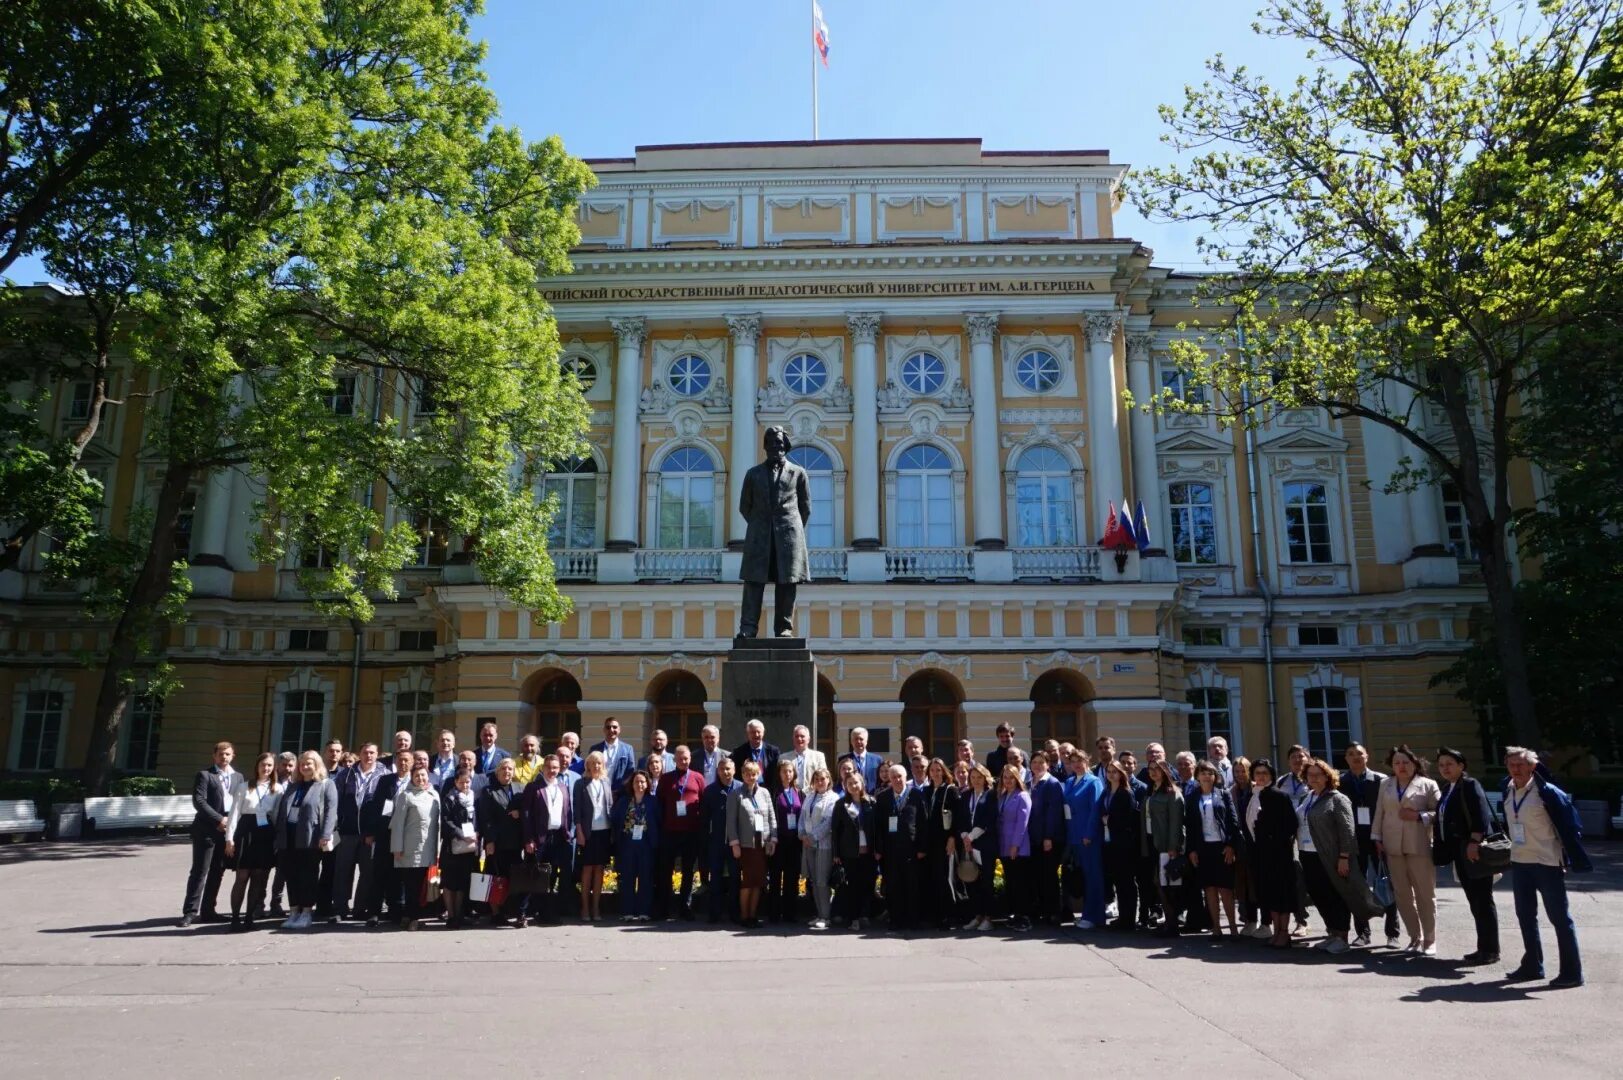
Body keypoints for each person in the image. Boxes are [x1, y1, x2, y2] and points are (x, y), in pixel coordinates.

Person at [1503, 746, 1591, 988]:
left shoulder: (1547, 792)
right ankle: (1532, 966)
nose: (1515, 769)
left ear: (1533, 766)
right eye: (1511, 765)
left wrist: (1567, 857)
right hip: (1520, 862)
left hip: (1547, 862)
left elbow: (1570, 827)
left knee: (1560, 918)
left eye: (1520, 764)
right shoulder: (1508, 789)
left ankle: (1572, 973)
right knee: (1525, 916)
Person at [1298, 757, 1384, 955]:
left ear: (1328, 777)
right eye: (1310, 775)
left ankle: (1342, 937)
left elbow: (1348, 830)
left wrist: (1344, 857)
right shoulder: (1308, 797)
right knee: (1319, 895)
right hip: (1308, 854)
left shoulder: (1338, 798)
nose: (1314, 779)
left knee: (1336, 895)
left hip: (1331, 856)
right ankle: (1332, 933)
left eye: (1318, 775)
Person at [1370, 744, 1441, 954]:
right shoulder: (1386, 784)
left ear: (1415, 763)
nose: (1401, 766)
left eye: (1405, 762)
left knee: (1425, 894)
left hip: (1419, 845)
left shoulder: (1428, 784)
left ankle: (1430, 939)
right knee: (1402, 894)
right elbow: (1379, 812)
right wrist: (1376, 837)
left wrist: (1420, 816)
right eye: (1396, 763)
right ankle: (1414, 936)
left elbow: (1441, 812)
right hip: (1392, 846)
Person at [1434, 747, 1499, 964]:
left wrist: (1474, 841)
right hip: (1459, 851)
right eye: (1441, 765)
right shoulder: (1448, 788)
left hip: (1473, 849)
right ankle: (1483, 947)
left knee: (1482, 899)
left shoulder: (1470, 785)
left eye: (1449, 764)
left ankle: (1490, 950)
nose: (1445, 768)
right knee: (1475, 900)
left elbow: (1481, 814)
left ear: (1461, 766)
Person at [1342, 742, 1399, 947]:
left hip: (1378, 840)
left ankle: (1393, 933)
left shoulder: (1380, 781)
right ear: (1346, 758)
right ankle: (1363, 933)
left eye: (1359, 753)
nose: (1355, 757)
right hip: (1354, 842)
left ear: (1367, 756)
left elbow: (1389, 811)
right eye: (1351, 754)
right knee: (1357, 887)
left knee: (1386, 884)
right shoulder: (1341, 782)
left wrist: (1382, 837)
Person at [273, 750, 337, 930]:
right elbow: (281, 812)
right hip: (289, 836)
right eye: (302, 764)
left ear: (316, 765)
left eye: (309, 763)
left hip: (310, 837)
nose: (305, 767)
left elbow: (331, 812)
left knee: (307, 875)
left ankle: (307, 911)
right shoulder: (294, 785)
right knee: (290, 875)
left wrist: (325, 835)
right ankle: (294, 911)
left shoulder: (326, 785)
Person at [181, 741, 240, 926]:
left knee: (218, 871)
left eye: (228, 754)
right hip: (206, 830)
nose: (224, 757)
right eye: (221, 754)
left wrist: (231, 824)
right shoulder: (205, 775)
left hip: (226, 831)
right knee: (200, 871)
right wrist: (219, 819)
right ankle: (190, 911)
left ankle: (208, 910)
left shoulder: (238, 777)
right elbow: (199, 801)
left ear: (233, 756)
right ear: (214, 756)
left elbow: (239, 801)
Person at [1244, 759, 1299, 948]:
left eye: (1265, 773)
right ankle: (1276, 931)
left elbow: (1291, 824)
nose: (1261, 776)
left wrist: (1272, 838)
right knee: (1269, 895)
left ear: (1271, 776)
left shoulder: (1279, 796)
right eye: (1257, 773)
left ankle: (1284, 933)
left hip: (1278, 854)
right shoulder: (1253, 795)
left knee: (1282, 894)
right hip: (1260, 854)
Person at [223, 751, 280, 931]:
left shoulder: (277, 789)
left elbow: (277, 816)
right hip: (246, 831)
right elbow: (234, 814)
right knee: (242, 876)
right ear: (257, 766)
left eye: (270, 765)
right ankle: (234, 917)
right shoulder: (244, 786)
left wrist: (278, 840)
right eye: (263, 765)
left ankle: (249, 917)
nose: (266, 768)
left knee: (258, 877)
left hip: (265, 834)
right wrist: (229, 838)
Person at [330, 741, 385, 924]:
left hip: (370, 833)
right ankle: (340, 908)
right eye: (365, 752)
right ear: (359, 754)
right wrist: (337, 825)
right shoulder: (346, 774)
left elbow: (384, 806)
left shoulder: (383, 774)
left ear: (377, 755)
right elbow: (335, 801)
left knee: (367, 872)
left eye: (371, 753)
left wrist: (376, 830)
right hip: (348, 831)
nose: (368, 756)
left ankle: (360, 908)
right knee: (343, 871)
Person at [1184, 760, 1240, 937]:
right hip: (1203, 848)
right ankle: (1216, 928)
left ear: (1215, 776)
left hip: (1222, 848)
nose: (1206, 776)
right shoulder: (1192, 797)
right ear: (1197, 776)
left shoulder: (1223, 795)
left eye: (1210, 773)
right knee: (1209, 889)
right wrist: (1191, 850)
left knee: (1226, 890)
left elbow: (1233, 822)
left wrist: (1231, 845)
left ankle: (1232, 927)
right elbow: (1191, 827)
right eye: (1202, 773)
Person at [360, 747, 413, 927]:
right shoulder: (385, 781)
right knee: (379, 873)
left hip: (406, 835)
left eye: (406, 760)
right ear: (395, 762)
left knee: (399, 875)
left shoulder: (415, 781)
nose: (403, 763)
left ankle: (395, 911)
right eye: (400, 760)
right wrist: (371, 832)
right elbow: (375, 807)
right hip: (384, 833)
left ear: (412, 763)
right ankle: (373, 912)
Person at [521, 753, 574, 924]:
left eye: (555, 768)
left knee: (551, 876)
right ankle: (523, 912)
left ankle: (547, 912)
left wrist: (568, 834)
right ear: (543, 768)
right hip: (538, 838)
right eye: (549, 767)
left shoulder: (563, 787)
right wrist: (528, 839)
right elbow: (527, 815)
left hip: (558, 837)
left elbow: (568, 812)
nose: (552, 771)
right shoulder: (533, 787)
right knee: (534, 875)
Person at [874, 762, 926, 931]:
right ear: (889, 779)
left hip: (911, 849)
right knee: (893, 886)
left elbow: (923, 823)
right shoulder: (882, 798)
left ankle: (913, 920)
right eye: (893, 777)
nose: (897, 780)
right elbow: (878, 826)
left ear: (906, 778)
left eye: (900, 777)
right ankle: (895, 919)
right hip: (890, 851)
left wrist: (922, 848)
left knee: (912, 886)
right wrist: (879, 849)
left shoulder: (917, 795)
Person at [476, 758, 528, 926]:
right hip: (497, 843)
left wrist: (520, 813)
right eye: (504, 769)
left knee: (518, 878)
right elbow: (486, 819)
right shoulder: (488, 791)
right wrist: (489, 841)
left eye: (510, 769)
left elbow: (528, 810)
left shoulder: (520, 789)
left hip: (516, 843)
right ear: (497, 772)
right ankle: (496, 913)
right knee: (496, 877)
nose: (507, 772)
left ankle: (519, 913)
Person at [657, 744, 706, 920]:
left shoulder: (698, 778)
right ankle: (664, 907)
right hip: (670, 831)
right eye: (680, 758)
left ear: (690, 759)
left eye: (686, 758)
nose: (683, 761)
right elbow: (660, 803)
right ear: (674, 759)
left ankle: (685, 907)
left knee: (688, 871)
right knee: (666, 871)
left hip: (691, 832)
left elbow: (702, 803)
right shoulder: (665, 779)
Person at [389, 761, 440, 931]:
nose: (420, 778)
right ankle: (413, 917)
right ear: (412, 777)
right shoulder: (406, 795)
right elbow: (397, 824)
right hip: (409, 849)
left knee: (421, 886)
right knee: (412, 885)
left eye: (423, 775)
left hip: (428, 848)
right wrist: (397, 848)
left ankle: (410, 915)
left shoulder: (434, 795)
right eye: (417, 776)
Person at [726, 759, 777, 929]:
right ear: (742, 775)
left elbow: (771, 817)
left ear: (758, 775)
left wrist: (772, 840)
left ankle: (753, 916)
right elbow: (731, 821)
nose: (750, 777)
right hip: (745, 846)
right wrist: (734, 844)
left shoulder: (764, 793)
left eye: (754, 774)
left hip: (761, 845)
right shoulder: (736, 794)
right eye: (747, 774)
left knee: (758, 882)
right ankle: (744, 915)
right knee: (747, 882)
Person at [1061, 749, 1106, 929]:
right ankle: (1086, 914)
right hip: (1073, 836)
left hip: (1088, 837)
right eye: (1073, 761)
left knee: (1093, 876)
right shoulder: (1070, 781)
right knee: (1081, 876)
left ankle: (1094, 916)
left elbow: (1096, 810)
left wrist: (1089, 834)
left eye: (1080, 761)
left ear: (1087, 762)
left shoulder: (1093, 782)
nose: (1077, 764)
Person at [609, 769, 660, 922]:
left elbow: (658, 820)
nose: (639, 784)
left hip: (646, 843)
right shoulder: (624, 801)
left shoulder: (653, 801)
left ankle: (644, 911)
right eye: (637, 781)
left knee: (645, 878)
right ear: (632, 784)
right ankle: (627, 911)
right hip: (627, 843)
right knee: (628, 877)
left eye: (643, 782)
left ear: (647, 784)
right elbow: (615, 818)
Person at [1142, 761, 1185, 937]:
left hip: (1167, 845)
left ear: (1165, 771)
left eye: (1157, 769)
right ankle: (1169, 920)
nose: (1153, 773)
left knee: (1168, 884)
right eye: (1151, 769)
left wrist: (1173, 847)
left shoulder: (1173, 793)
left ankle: (1172, 923)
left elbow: (1176, 823)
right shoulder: (1151, 791)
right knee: (1159, 882)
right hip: (1153, 842)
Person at [831, 770, 877, 930]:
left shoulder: (871, 802)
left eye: (856, 782)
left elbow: (877, 829)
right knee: (853, 887)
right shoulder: (841, 804)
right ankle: (853, 918)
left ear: (862, 783)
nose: (853, 786)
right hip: (850, 853)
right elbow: (835, 831)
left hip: (869, 853)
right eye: (849, 784)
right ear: (845, 786)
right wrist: (836, 854)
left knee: (868, 885)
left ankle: (865, 915)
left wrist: (878, 849)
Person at [572, 750, 615, 921]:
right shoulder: (580, 784)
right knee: (587, 869)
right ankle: (585, 908)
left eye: (599, 763)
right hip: (588, 833)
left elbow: (610, 805)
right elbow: (577, 811)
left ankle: (596, 907)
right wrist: (579, 832)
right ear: (587, 765)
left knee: (600, 869)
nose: (596, 766)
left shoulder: (606, 781)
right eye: (593, 763)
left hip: (604, 831)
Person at [919, 758, 961, 929]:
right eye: (932, 770)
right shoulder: (926, 791)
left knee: (945, 878)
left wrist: (952, 838)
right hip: (929, 842)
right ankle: (935, 915)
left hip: (945, 841)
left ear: (944, 772)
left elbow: (957, 817)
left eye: (938, 770)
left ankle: (949, 915)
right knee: (932, 878)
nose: (935, 773)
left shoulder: (950, 791)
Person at [1027, 751, 1066, 925]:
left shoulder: (1052, 783)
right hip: (1033, 837)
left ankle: (1053, 912)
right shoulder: (1029, 783)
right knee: (1036, 875)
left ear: (1047, 764)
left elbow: (1054, 813)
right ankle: (1041, 910)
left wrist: (1048, 837)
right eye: (1034, 762)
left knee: (1049, 876)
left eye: (1041, 762)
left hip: (1048, 838)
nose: (1037, 765)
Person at [702, 756, 742, 924]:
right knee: (716, 879)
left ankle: (735, 913)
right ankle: (714, 913)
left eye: (728, 769)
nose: (726, 772)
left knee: (735, 878)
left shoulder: (741, 788)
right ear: (717, 771)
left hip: (736, 842)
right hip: (716, 842)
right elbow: (704, 819)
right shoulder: (710, 791)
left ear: (734, 770)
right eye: (722, 769)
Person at [1101, 761, 1141, 931]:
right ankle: (1122, 917)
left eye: (1114, 772)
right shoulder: (1108, 791)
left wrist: (1109, 821)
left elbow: (1129, 819)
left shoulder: (1126, 793)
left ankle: (1129, 919)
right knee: (1118, 881)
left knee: (1126, 882)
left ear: (1121, 774)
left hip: (1124, 843)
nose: (1111, 774)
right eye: (1108, 771)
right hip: (1110, 842)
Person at [958, 764, 999, 931]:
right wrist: (964, 836)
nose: (975, 780)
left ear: (985, 778)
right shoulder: (966, 795)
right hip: (968, 844)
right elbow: (960, 818)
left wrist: (971, 836)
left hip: (985, 844)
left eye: (979, 777)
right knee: (972, 881)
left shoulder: (991, 795)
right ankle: (977, 915)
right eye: (973, 777)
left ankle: (988, 917)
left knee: (986, 882)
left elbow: (989, 820)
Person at [439, 768, 480, 929]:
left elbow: (478, 818)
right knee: (450, 882)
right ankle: (451, 915)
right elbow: (446, 821)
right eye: (461, 782)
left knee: (463, 882)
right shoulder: (450, 798)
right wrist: (460, 833)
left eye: (467, 781)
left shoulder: (474, 797)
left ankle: (459, 914)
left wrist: (477, 832)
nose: (465, 785)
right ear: (455, 782)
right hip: (452, 846)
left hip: (469, 847)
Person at [799, 766, 840, 928]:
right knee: (814, 881)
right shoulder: (809, 796)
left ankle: (826, 916)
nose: (820, 782)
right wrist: (802, 833)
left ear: (829, 780)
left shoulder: (833, 798)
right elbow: (802, 817)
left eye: (823, 779)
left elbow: (828, 823)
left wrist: (813, 836)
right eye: (817, 779)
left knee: (822, 881)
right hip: (808, 844)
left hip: (823, 844)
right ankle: (819, 914)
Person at [996, 764, 1033, 932]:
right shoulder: (1003, 796)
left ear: (1017, 778)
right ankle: (1015, 915)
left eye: (1011, 777)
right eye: (1005, 777)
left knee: (1020, 883)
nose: (1008, 781)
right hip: (1004, 845)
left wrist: (1015, 845)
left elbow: (1022, 823)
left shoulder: (1022, 796)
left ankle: (1024, 917)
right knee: (1011, 882)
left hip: (1017, 847)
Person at [768, 759, 804, 923]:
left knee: (792, 878)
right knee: (775, 878)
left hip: (795, 842)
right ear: (779, 773)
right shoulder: (773, 792)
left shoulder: (800, 792)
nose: (787, 774)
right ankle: (774, 913)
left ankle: (790, 913)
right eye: (784, 771)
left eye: (790, 771)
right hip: (778, 841)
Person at [267, 751, 298, 917]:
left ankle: (275, 903)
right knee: (263, 870)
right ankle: (257, 903)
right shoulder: (270, 782)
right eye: (284, 765)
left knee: (282, 871)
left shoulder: (297, 783)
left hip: (287, 833)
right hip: (267, 830)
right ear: (277, 766)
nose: (287, 768)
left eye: (290, 765)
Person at [731, 719, 782, 794]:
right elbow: (737, 776)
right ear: (748, 734)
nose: (756, 735)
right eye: (753, 732)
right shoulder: (739, 752)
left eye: (759, 732)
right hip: (746, 792)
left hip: (768, 792)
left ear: (763, 733)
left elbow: (776, 775)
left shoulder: (773, 751)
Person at [590, 717, 637, 795]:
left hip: (620, 793)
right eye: (608, 727)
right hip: (598, 791)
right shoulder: (594, 749)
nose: (611, 730)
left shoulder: (627, 749)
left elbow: (630, 772)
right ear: (604, 730)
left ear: (619, 729)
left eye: (614, 727)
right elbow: (590, 770)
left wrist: (620, 789)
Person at [781, 724, 828, 794]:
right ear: (793, 739)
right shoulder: (783, 758)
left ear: (808, 739)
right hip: (791, 795)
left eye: (802, 736)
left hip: (812, 794)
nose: (799, 739)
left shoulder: (819, 756)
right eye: (796, 736)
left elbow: (823, 777)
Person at [846, 727, 882, 791]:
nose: (858, 741)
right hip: (852, 796)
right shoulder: (844, 760)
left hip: (872, 797)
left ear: (866, 741)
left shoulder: (877, 759)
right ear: (851, 741)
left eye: (861, 739)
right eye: (856, 739)